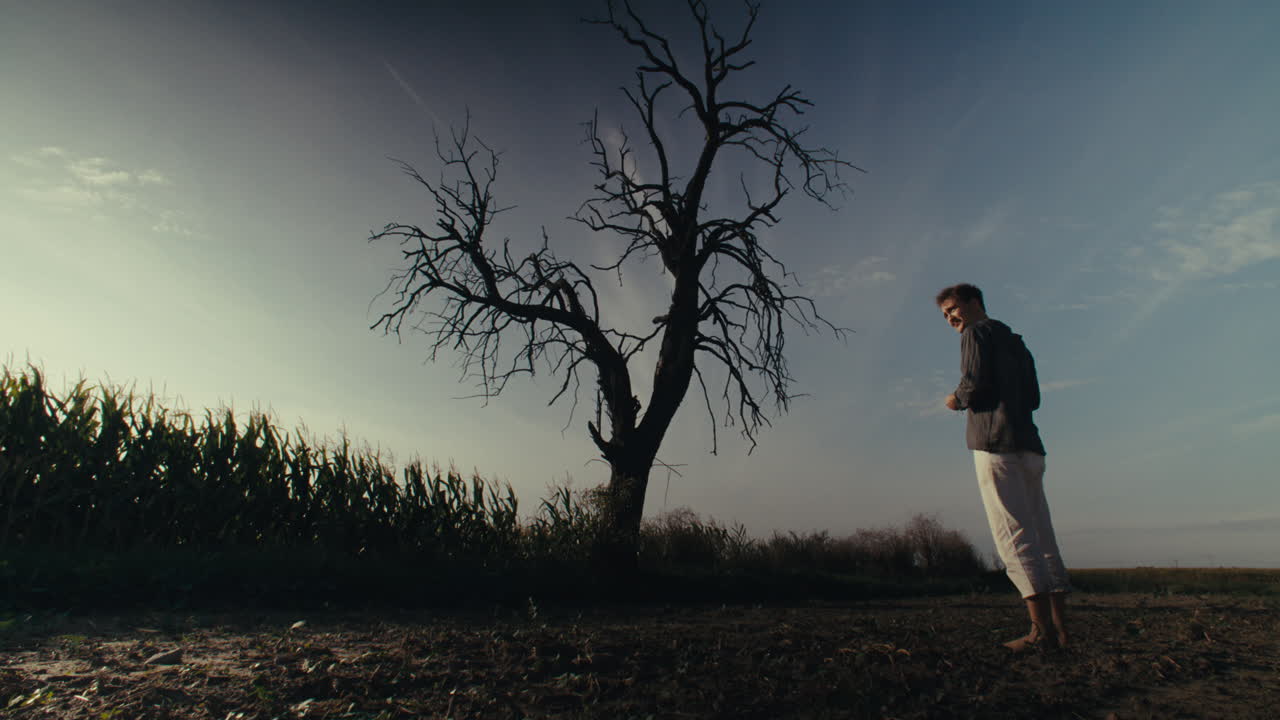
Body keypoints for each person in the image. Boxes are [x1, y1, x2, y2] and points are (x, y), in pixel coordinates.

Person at [936, 283, 1070, 651]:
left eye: (953, 309)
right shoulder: (1016, 340)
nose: (950, 318)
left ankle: (1039, 632)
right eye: (945, 315)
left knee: (1012, 535)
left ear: (974, 303)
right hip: (1030, 444)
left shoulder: (976, 333)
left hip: (994, 444)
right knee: (1042, 534)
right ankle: (1061, 629)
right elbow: (1034, 398)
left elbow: (973, 383)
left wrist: (955, 400)